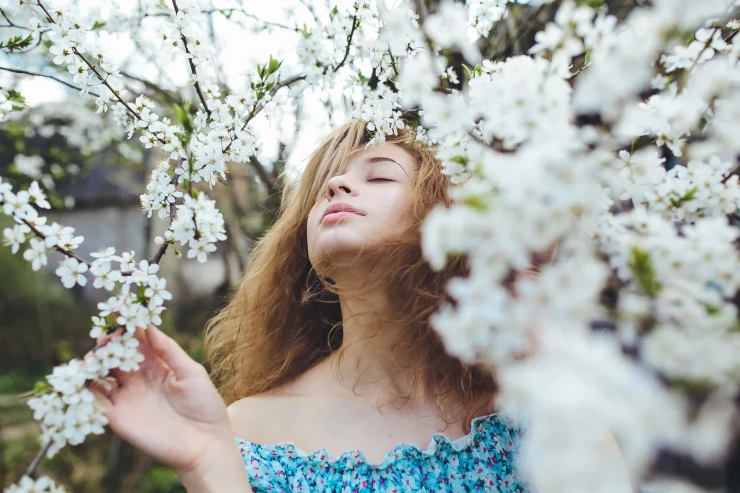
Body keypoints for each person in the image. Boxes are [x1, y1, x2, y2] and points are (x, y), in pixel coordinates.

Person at [90, 120, 531, 492]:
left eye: (378, 176)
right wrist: (208, 465)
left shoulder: (521, 406)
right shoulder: (246, 430)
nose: (337, 185)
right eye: (323, 189)